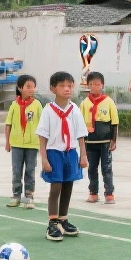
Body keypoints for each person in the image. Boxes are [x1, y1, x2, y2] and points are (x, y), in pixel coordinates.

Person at [36, 71, 89, 242]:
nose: (67, 89)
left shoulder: (75, 110)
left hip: (71, 153)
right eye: (62, 86)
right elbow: (42, 136)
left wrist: (83, 155)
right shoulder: (48, 111)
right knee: (56, 188)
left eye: (70, 86)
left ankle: (63, 220)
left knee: (68, 186)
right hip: (54, 153)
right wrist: (44, 158)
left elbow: (81, 134)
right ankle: (52, 222)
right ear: (53, 88)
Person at [5, 74, 43, 209]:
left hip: (32, 144)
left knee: (30, 171)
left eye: (33, 87)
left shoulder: (37, 104)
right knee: (16, 170)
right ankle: (16, 195)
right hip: (16, 144)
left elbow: (42, 124)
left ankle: (29, 196)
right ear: (20, 88)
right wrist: (7, 142)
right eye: (28, 86)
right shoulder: (14, 105)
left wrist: (43, 143)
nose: (31, 89)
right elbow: (8, 124)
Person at [80, 72, 119, 205]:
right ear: (88, 86)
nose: (94, 87)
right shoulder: (85, 103)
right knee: (92, 169)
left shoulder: (108, 102)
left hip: (105, 142)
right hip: (90, 141)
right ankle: (93, 193)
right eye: (91, 84)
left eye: (97, 84)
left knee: (106, 168)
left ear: (102, 85)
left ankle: (109, 193)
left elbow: (114, 122)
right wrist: (82, 142)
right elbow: (80, 123)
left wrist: (113, 140)